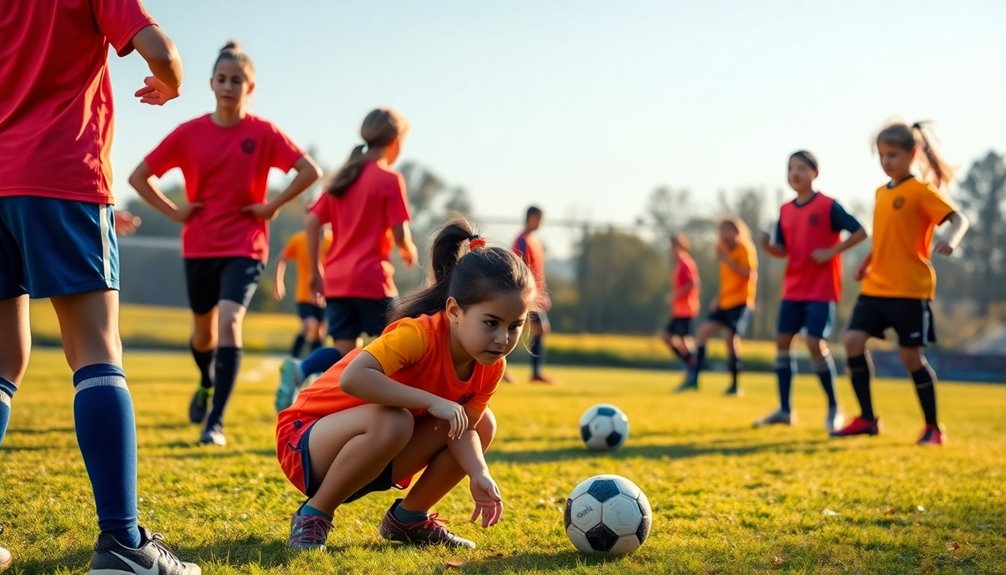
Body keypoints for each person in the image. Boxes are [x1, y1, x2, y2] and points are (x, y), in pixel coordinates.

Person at [0, 0, 200, 572]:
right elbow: (163, 53)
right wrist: (170, 85)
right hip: (60, 174)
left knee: (3, 360)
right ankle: (122, 544)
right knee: (95, 351)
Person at [276, 221, 536, 551]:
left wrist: (479, 473)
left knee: (481, 424)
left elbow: (464, 431)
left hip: (375, 450)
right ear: (455, 310)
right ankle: (314, 514)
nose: (503, 339)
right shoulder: (418, 334)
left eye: (515, 326)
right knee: (395, 420)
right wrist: (431, 402)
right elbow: (354, 378)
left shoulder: (492, 366)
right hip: (305, 442)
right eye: (491, 323)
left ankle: (409, 519)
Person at [129, 41, 322, 446]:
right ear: (211, 84)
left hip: (245, 246)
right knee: (203, 334)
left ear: (249, 87)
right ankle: (205, 380)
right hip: (199, 246)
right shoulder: (189, 133)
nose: (228, 86)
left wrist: (272, 205)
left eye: (237, 80)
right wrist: (175, 213)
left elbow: (309, 171)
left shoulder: (263, 133)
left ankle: (214, 422)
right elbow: (138, 177)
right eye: (222, 79)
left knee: (229, 320)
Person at [831, 121, 969, 445]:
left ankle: (933, 427)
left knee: (911, 359)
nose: (886, 161)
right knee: (852, 341)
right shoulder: (881, 193)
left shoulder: (920, 191)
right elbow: (884, 237)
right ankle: (867, 418)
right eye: (881, 155)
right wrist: (866, 262)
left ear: (913, 153)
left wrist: (952, 238)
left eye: (892, 154)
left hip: (910, 289)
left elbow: (958, 218)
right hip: (876, 287)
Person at [276, 108, 418, 411]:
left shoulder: (343, 179)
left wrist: (316, 270)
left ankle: (300, 370)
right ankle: (397, 407)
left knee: (343, 353)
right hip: (371, 280)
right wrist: (408, 248)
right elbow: (400, 230)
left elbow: (313, 221)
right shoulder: (389, 179)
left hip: (337, 282)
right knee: (400, 341)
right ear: (395, 142)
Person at [755, 151, 867, 431]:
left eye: (802, 168)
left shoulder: (829, 206)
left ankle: (833, 407)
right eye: (791, 168)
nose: (795, 173)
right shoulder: (784, 210)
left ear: (815, 173)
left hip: (821, 288)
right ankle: (784, 410)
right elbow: (783, 250)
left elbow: (860, 232)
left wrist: (832, 251)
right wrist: (769, 247)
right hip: (793, 288)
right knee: (782, 342)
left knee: (814, 343)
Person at [677, 217, 758, 395]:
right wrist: (718, 296)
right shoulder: (721, 248)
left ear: (737, 231)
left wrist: (729, 261)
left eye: (728, 230)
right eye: (722, 231)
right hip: (724, 301)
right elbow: (727, 278)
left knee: (730, 339)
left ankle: (735, 385)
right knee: (702, 332)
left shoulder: (744, 248)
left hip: (741, 301)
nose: (724, 235)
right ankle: (694, 379)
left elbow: (749, 274)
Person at [275, 228, 334, 358]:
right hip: (304, 294)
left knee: (320, 332)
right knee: (309, 325)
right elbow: (282, 258)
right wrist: (279, 283)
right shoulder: (299, 239)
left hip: (325, 295)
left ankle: (315, 365)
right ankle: (292, 359)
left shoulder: (332, 240)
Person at [512, 206, 554, 383]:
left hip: (536, 295)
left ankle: (536, 372)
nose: (540, 223)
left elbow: (539, 271)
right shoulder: (521, 240)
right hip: (526, 294)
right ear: (530, 218)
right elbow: (520, 268)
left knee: (537, 331)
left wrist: (543, 294)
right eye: (538, 218)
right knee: (516, 330)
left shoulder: (535, 242)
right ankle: (534, 373)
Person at [661, 233, 701, 385]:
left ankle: (693, 365)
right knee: (672, 338)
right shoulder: (679, 264)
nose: (670, 250)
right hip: (679, 310)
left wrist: (674, 295)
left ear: (679, 247)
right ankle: (692, 365)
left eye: (672, 247)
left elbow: (692, 284)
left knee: (679, 339)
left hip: (686, 309)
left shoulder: (685, 263)